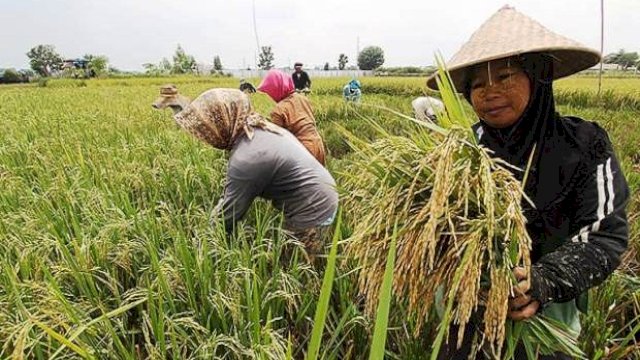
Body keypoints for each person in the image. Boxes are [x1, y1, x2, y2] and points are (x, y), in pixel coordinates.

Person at [426, 6, 629, 359]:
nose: (488, 92)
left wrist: (543, 280)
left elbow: (604, 234)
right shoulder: (460, 151)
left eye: (504, 76)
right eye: (476, 85)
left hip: (547, 330)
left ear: (538, 78)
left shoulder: (585, 145)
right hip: (466, 324)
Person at [173, 88, 338, 256]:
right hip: (324, 194)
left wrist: (200, 246)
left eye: (206, 130)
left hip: (314, 208)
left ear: (221, 124)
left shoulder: (247, 157)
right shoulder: (262, 128)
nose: (206, 137)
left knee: (293, 266)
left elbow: (228, 215)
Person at [258, 69, 326, 165]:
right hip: (318, 145)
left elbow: (277, 139)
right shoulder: (303, 99)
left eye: (271, 92)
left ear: (277, 88)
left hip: (303, 149)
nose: (271, 96)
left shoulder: (279, 110)